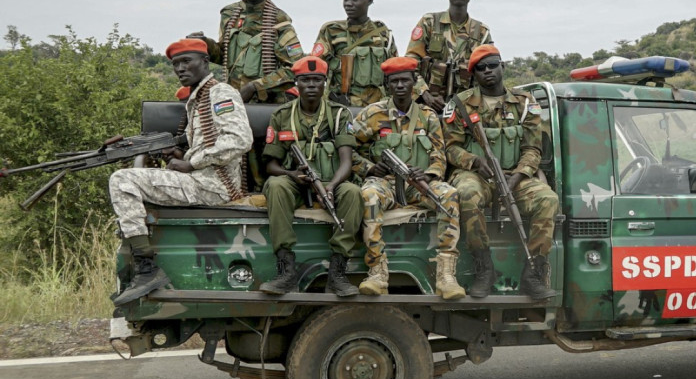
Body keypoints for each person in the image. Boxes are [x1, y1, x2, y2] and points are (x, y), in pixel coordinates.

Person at [109, 39, 253, 305]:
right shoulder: (198, 99)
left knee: (122, 181)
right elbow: (209, 145)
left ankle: (146, 268)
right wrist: (181, 157)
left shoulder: (219, 93)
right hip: (202, 180)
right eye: (176, 64)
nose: (180, 68)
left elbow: (239, 140)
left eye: (187, 61)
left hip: (213, 187)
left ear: (205, 62)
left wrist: (192, 162)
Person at [443, 45, 558, 300]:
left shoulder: (524, 103)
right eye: (480, 69)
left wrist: (518, 176)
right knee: (467, 193)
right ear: (474, 75)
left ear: (502, 67)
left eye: (492, 65)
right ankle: (484, 269)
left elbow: (532, 149)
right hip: (477, 175)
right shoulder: (461, 104)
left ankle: (533, 273)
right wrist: (474, 162)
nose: (487, 72)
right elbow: (450, 148)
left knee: (547, 199)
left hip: (514, 176)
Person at [353, 57, 465, 299]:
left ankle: (446, 275)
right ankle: (376, 272)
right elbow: (348, 150)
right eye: (395, 81)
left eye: (405, 80)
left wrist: (428, 173)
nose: (400, 85)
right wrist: (370, 168)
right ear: (387, 85)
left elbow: (440, 156)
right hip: (386, 184)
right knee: (369, 196)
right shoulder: (372, 114)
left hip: (417, 185)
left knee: (449, 195)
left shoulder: (428, 116)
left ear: (415, 82)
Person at [259, 56, 362, 297]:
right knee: (275, 185)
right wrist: (291, 174)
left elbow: (347, 161)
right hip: (296, 182)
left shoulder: (338, 115)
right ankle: (286, 270)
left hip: (331, 181)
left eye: (317, 80)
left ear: (325, 83)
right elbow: (271, 165)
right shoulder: (282, 115)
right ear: (297, 83)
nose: (312, 85)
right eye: (306, 80)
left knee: (354, 193)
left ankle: (337, 272)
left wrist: (332, 186)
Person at [191, 0, 304, 103]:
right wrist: (205, 44)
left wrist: (255, 86)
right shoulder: (230, 14)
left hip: (265, 104)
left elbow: (296, 69)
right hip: (232, 101)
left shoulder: (278, 20)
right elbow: (224, 57)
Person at [405, 0, 493, 112]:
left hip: (466, 108)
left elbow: (489, 70)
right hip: (427, 106)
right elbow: (410, 63)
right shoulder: (430, 23)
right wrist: (425, 94)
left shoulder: (481, 32)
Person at [311, 0, 398, 107]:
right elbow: (314, 68)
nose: (348, 4)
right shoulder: (332, 31)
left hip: (377, 108)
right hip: (340, 106)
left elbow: (395, 71)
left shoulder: (383, 34)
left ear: (369, 0)